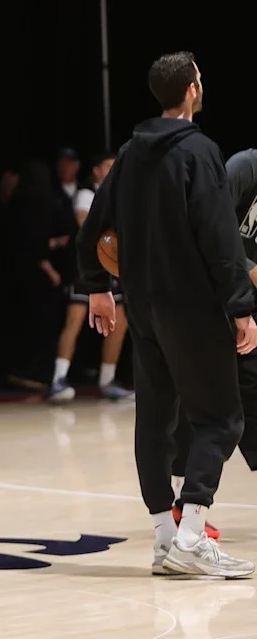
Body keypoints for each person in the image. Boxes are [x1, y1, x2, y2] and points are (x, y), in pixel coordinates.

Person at [76, 51, 257, 578]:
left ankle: (164, 538)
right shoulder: (199, 151)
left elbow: (95, 227)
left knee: (155, 420)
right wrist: (241, 308)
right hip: (193, 307)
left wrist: (96, 288)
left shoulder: (131, 152)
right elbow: (220, 239)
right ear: (193, 91)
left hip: (144, 306)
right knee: (222, 419)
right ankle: (192, 535)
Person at [169, 146, 257, 540]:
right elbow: (210, 228)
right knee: (207, 406)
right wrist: (250, 272)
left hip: (246, 304)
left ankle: (186, 502)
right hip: (214, 298)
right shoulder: (244, 167)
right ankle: (182, 500)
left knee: (247, 396)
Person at [48, 149, 134, 401]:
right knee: (75, 319)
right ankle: (58, 378)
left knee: (120, 320)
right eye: (107, 166)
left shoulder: (121, 197)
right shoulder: (87, 194)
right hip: (88, 267)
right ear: (96, 170)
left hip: (113, 268)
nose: (111, 170)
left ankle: (107, 381)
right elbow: (86, 226)